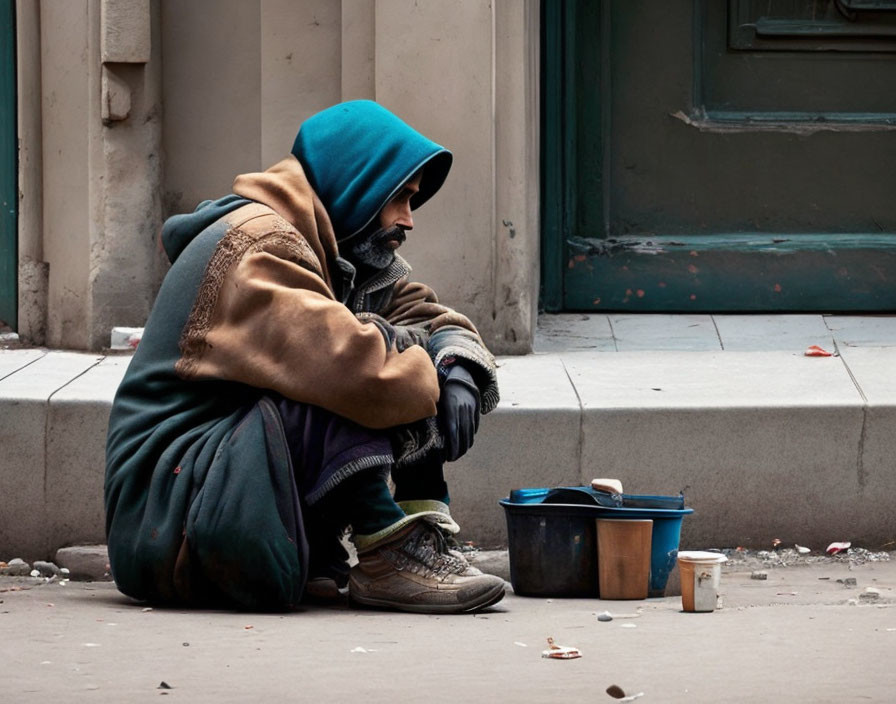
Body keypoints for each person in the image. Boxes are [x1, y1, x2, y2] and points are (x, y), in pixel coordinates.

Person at [104, 100, 504, 614]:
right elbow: (356, 371)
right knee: (360, 374)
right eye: (400, 199)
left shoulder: (333, 252)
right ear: (359, 185)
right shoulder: (259, 246)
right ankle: (391, 553)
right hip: (168, 515)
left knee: (405, 354)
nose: (408, 219)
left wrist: (459, 370)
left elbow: (426, 313)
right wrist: (425, 364)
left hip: (213, 495)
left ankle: (418, 541)